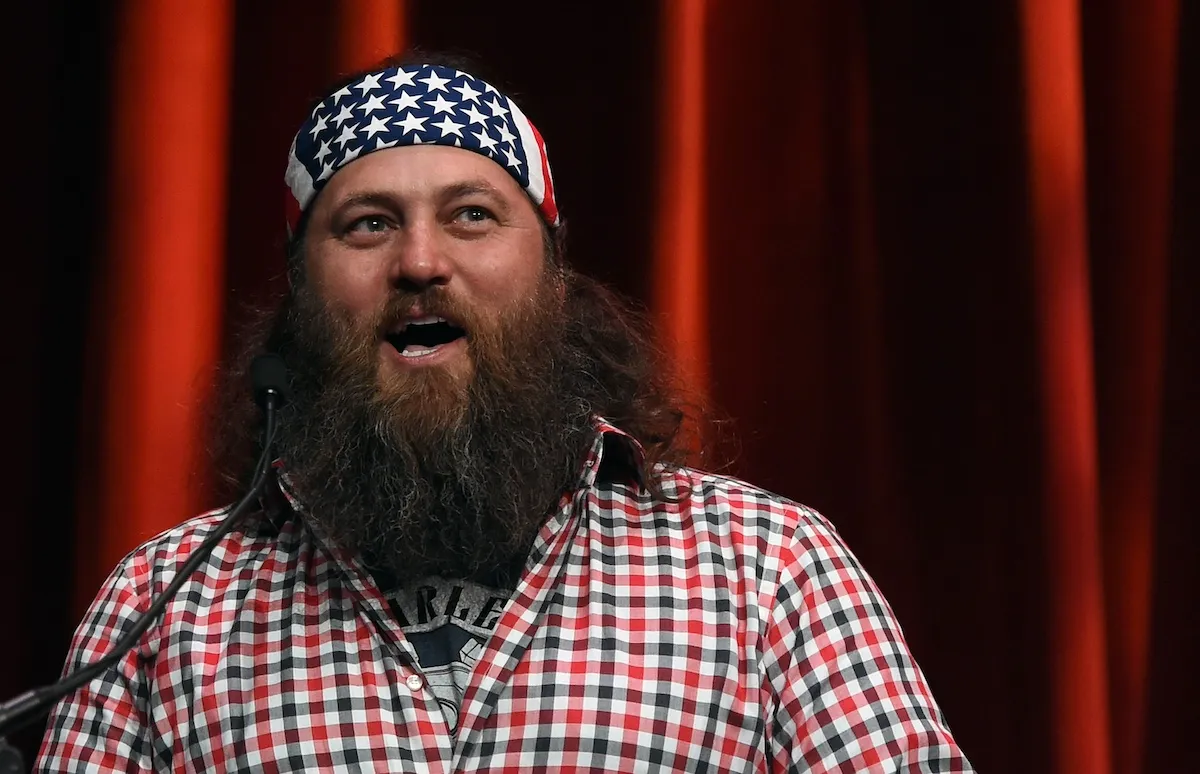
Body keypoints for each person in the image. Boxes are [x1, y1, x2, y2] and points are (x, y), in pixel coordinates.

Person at [38, 52, 974, 772]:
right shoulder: (163, 612)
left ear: (554, 271)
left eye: (472, 215)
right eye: (367, 223)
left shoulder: (767, 572)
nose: (419, 262)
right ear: (301, 292)